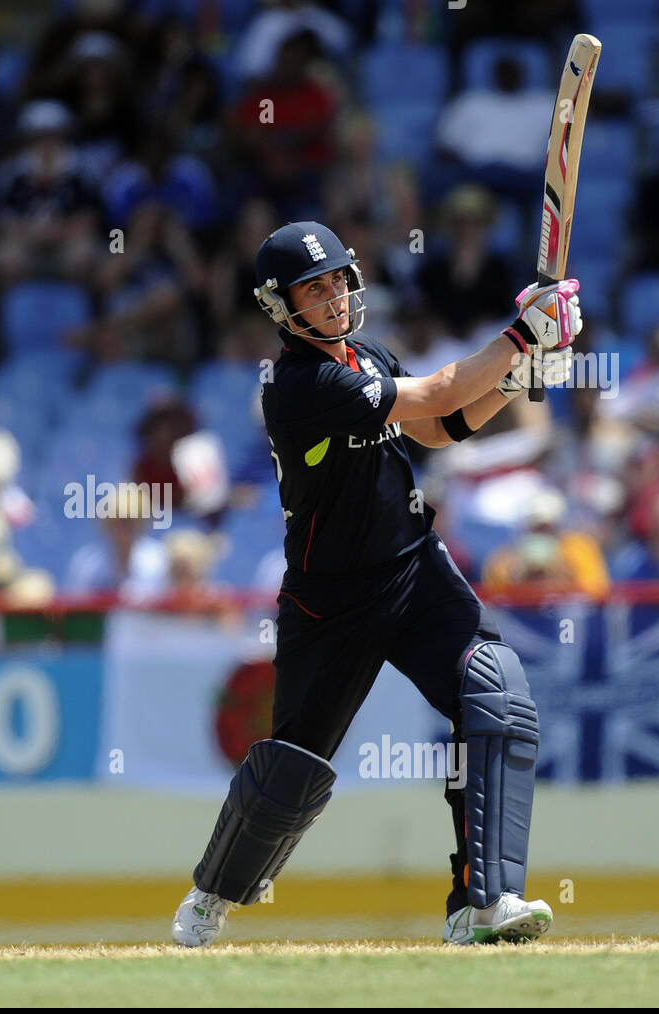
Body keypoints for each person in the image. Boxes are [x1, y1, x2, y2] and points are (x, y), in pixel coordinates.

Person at [171, 221, 580, 947]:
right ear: (280, 306)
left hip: (415, 569)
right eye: (313, 287)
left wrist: (524, 365)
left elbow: (442, 425)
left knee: (497, 693)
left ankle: (482, 903)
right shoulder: (300, 385)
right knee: (293, 768)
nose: (332, 297)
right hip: (329, 599)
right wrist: (521, 338)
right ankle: (213, 893)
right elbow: (443, 387)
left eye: (338, 281)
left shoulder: (367, 355)